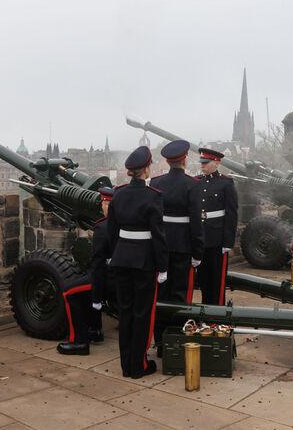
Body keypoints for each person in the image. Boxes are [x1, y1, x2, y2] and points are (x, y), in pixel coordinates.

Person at [107, 146, 168, 378]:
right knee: (143, 313)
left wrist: (116, 254)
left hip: (121, 258)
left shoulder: (118, 194)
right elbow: (158, 236)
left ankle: (126, 366)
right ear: (146, 169)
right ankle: (139, 365)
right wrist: (162, 266)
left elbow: (112, 231)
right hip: (144, 261)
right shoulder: (153, 196)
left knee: (125, 312)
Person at [150, 140, 204, 354]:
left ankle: (161, 342)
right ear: (184, 159)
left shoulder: (156, 182)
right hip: (183, 247)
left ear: (167, 160)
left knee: (160, 295)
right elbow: (196, 224)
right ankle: (178, 339)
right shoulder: (193, 184)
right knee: (180, 295)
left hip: (161, 245)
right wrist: (197, 252)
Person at [57, 187, 114, 356]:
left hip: (108, 278)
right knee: (87, 289)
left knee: (70, 292)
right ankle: (94, 330)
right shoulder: (126, 222)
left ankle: (79, 342)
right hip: (123, 276)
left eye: (104, 203)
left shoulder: (102, 228)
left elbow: (97, 265)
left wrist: (97, 294)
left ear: (105, 204)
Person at [196, 147, 238, 306]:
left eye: (206, 163)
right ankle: (205, 310)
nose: (202, 166)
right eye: (201, 162)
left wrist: (228, 242)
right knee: (203, 279)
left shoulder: (226, 183)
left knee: (217, 280)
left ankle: (217, 312)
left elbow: (231, 214)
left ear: (216, 162)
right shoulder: (197, 182)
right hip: (201, 237)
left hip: (217, 238)